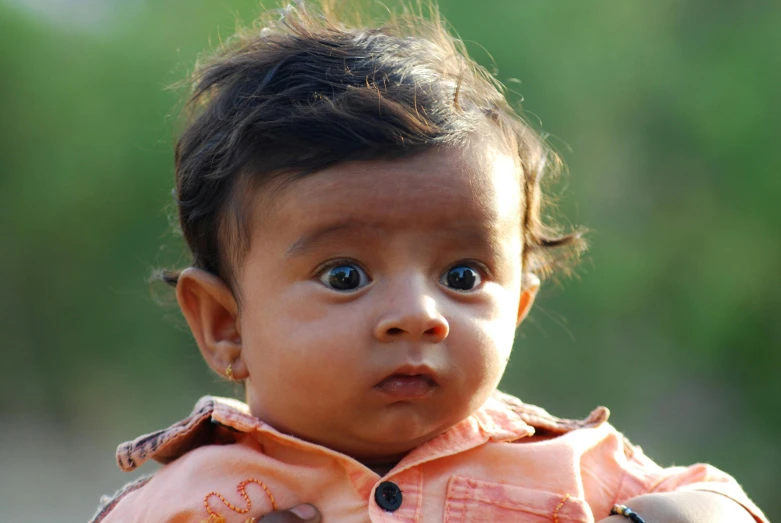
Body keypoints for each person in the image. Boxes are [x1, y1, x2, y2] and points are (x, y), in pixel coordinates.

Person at [90, 2, 767, 522]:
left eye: (462, 277)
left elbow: (721, 503)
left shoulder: (565, 464)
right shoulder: (185, 499)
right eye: (345, 275)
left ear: (517, 307)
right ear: (224, 324)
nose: (417, 314)